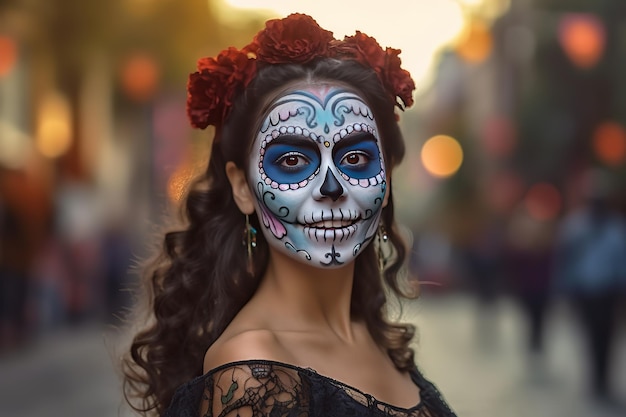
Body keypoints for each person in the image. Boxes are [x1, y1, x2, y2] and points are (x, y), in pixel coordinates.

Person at [122, 13, 458, 417]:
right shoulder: (251, 372)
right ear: (243, 187)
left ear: (385, 179)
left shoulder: (374, 339)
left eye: (355, 157)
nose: (331, 187)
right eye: (294, 160)